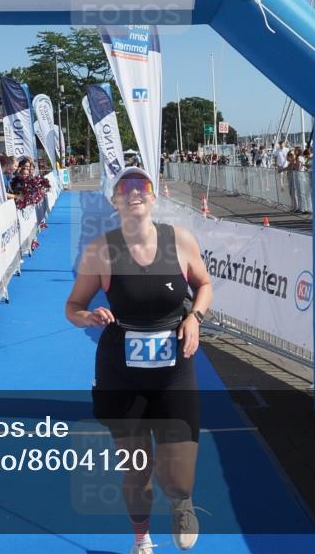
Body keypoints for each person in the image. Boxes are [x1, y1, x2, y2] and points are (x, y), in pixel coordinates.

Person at [64, 167, 213, 554]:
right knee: (137, 468)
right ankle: (142, 538)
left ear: (153, 197)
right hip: (120, 373)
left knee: (179, 475)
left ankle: (181, 504)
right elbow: (73, 306)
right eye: (125, 188)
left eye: (142, 186)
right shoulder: (101, 250)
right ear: (114, 201)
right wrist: (88, 316)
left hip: (174, 370)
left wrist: (195, 317)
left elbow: (205, 285)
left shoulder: (180, 241)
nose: (134, 193)